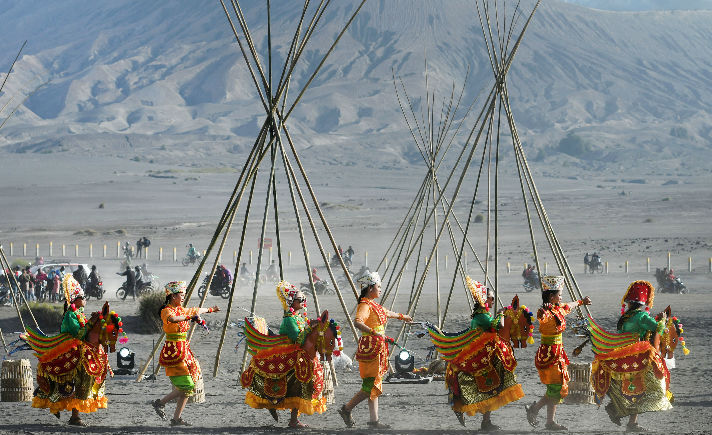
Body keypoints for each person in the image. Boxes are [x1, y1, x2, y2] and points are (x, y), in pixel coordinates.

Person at [429, 277, 524, 429]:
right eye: (491, 298)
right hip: (480, 359)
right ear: (484, 300)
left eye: (493, 299)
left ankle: (486, 421)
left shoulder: (483, 314)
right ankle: (470, 412)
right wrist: (500, 314)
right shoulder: (482, 316)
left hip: (487, 356)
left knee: (492, 388)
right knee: (486, 387)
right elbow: (498, 326)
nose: (493, 301)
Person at [31, 275, 112, 426]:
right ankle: (74, 415)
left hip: (80, 345)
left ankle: (75, 414)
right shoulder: (70, 315)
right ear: (76, 300)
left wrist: (93, 321)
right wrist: (90, 324)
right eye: (83, 297)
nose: (85, 300)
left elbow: (86, 331)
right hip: (70, 347)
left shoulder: (79, 313)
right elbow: (79, 334)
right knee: (76, 377)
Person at [594, 281, 672, 431]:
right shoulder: (642, 316)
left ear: (629, 304)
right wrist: (662, 319)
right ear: (641, 305)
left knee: (630, 386)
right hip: (638, 357)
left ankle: (617, 410)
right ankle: (629, 421)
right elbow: (657, 328)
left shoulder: (624, 317)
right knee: (642, 387)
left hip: (623, 355)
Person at [338, 271, 412, 429]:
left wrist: (402, 316)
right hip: (371, 349)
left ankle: (373, 421)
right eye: (378, 286)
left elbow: (386, 312)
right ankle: (347, 408)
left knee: (373, 385)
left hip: (376, 348)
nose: (380, 289)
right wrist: (373, 332)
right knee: (370, 385)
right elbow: (358, 322)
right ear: (370, 288)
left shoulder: (372, 304)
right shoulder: (364, 305)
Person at [525, 275, 592, 431]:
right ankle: (537, 411)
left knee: (556, 386)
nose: (561, 297)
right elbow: (542, 318)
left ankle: (548, 420)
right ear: (551, 296)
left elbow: (570, 305)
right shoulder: (545, 312)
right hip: (549, 354)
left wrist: (581, 301)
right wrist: (544, 311)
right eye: (559, 295)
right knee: (557, 387)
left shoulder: (559, 308)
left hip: (559, 353)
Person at [152, 281, 219, 426]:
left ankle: (176, 419)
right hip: (173, 352)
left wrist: (210, 310)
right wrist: (190, 317)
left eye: (183, 295)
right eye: (181, 295)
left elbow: (195, 310)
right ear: (173, 296)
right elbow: (173, 320)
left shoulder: (182, 310)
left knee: (186, 389)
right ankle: (160, 403)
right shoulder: (166, 311)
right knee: (187, 387)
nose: (183, 297)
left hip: (184, 350)